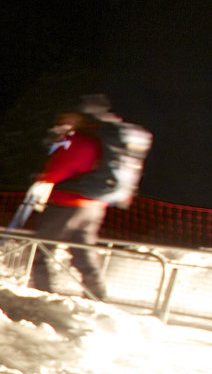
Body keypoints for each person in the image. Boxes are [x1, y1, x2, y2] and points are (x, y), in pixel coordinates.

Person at [27, 96, 152, 301]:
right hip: (93, 206)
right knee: (84, 253)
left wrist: (43, 177)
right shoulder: (105, 141)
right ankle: (97, 297)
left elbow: (59, 168)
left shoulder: (81, 141)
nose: (63, 120)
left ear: (82, 116)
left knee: (41, 250)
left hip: (67, 204)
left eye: (68, 116)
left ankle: (43, 297)